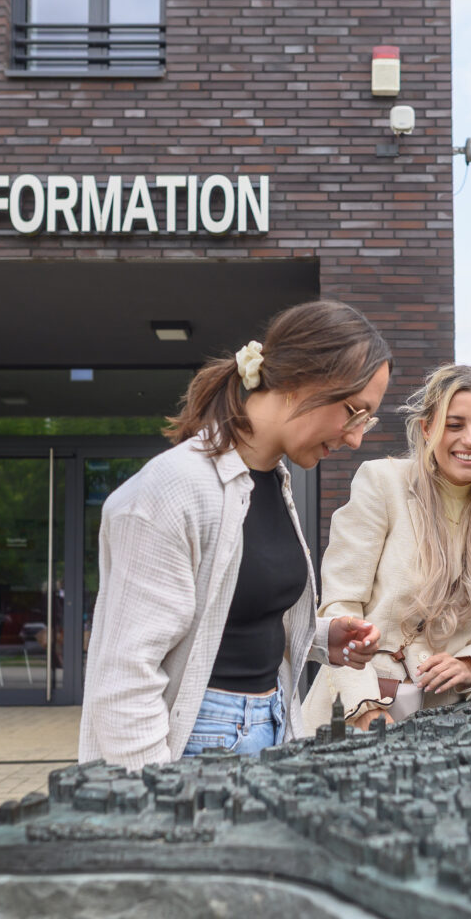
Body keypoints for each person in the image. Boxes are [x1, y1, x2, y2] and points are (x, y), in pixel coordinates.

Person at [79, 300, 392, 770]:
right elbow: (124, 677)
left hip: (271, 724)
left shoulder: (272, 479)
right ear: (298, 381)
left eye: (367, 420)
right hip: (196, 743)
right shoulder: (172, 490)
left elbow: (229, 614)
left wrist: (325, 639)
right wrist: (150, 803)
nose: (355, 438)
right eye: (354, 412)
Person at [302, 364, 471, 732]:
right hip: (353, 712)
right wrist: (366, 708)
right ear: (427, 428)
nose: (470, 440)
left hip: (444, 723)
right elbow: (339, 607)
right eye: (454, 425)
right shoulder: (381, 483)